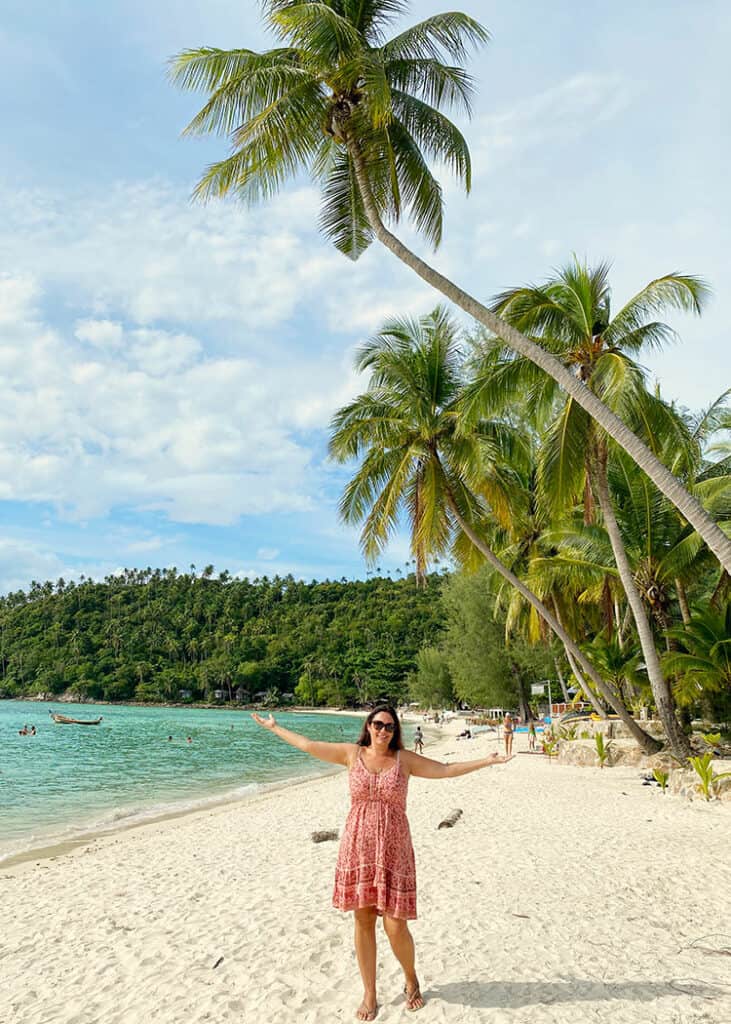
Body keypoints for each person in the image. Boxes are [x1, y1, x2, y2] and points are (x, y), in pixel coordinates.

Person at [252, 704, 512, 1020]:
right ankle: (370, 993)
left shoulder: (404, 760)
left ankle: (411, 977)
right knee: (362, 919)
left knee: (395, 924)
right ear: (369, 726)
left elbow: (444, 769)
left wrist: (487, 761)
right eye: (378, 724)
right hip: (358, 846)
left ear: (395, 731)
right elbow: (308, 745)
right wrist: (274, 728)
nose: (383, 731)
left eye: (389, 727)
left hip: (395, 846)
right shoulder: (352, 754)